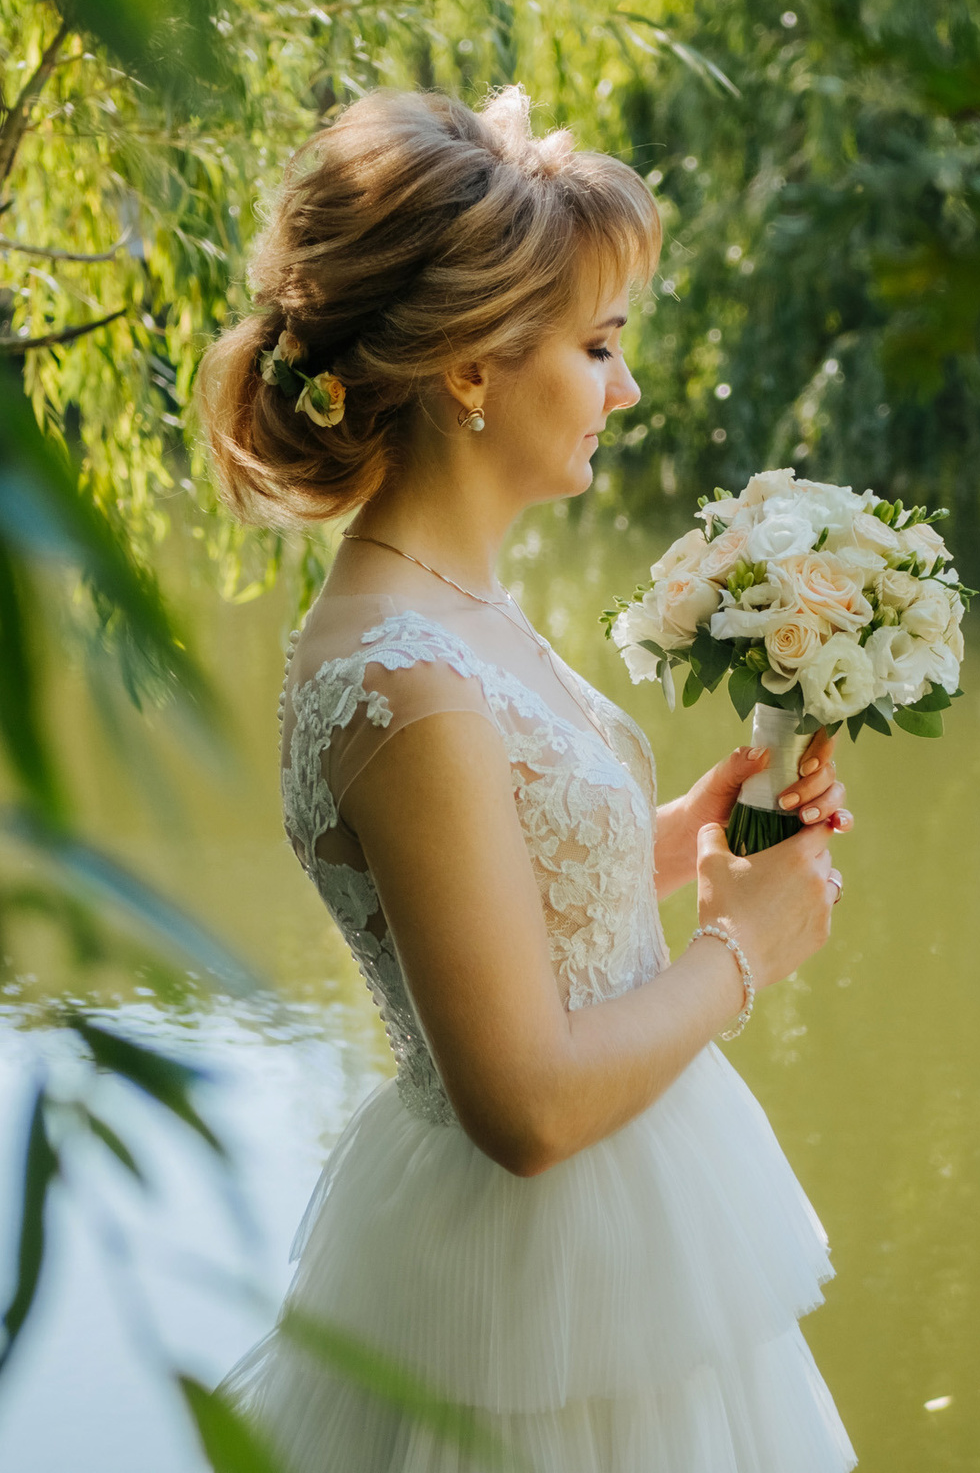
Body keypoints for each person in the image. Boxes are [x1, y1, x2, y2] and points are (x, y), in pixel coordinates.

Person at [199, 85, 857, 1471]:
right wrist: (745, 951)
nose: (627, 388)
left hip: (627, 1243)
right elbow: (528, 1105)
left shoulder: (446, 602)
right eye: (599, 346)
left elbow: (515, 890)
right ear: (473, 370)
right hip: (537, 1276)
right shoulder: (404, 678)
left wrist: (687, 834)